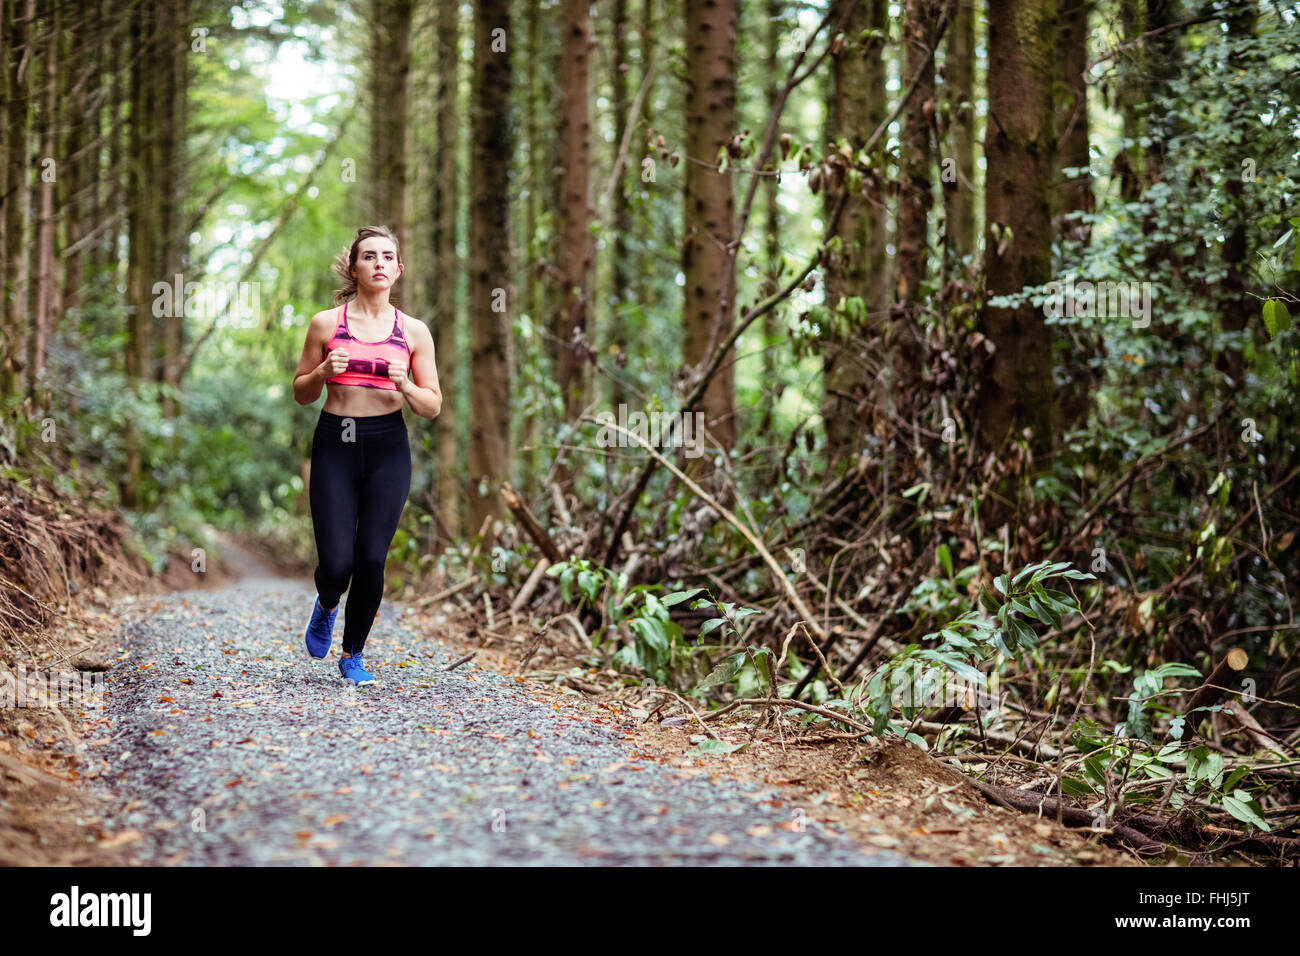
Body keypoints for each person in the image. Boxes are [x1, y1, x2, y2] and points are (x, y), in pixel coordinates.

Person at [291, 226, 442, 685]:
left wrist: (407, 385)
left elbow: (432, 405)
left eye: (387, 256)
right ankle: (327, 602)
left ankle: (353, 653)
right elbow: (301, 393)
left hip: (386, 447)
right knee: (338, 563)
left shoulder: (413, 331)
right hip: (336, 441)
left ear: (398, 269)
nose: (379, 263)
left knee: (372, 557)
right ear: (354, 267)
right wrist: (321, 370)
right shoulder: (325, 323)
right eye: (369, 256)